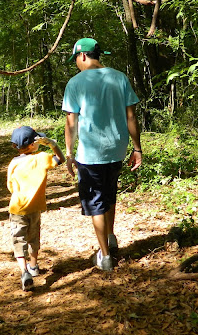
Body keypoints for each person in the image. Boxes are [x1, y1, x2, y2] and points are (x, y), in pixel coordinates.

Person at [62, 37, 142, 272]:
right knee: (110, 194)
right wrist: (137, 149)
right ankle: (111, 236)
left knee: (96, 202)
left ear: (83, 55)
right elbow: (131, 117)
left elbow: (71, 122)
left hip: (90, 154)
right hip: (117, 148)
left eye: (76, 58)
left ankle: (105, 257)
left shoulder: (75, 83)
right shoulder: (119, 77)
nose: (76, 63)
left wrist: (68, 153)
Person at [7, 125, 65, 291]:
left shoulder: (13, 163)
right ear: (32, 145)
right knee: (33, 237)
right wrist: (53, 144)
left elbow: (10, 186)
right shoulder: (41, 158)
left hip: (17, 208)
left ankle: (24, 270)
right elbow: (60, 159)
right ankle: (33, 266)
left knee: (19, 239)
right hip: (35, 207)